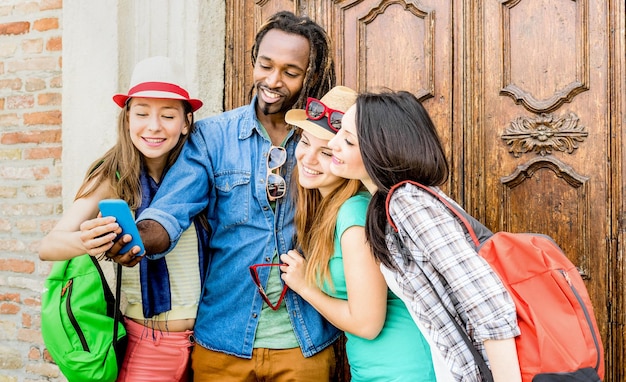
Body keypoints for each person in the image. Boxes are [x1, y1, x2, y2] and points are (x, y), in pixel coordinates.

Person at [117, 11, 339, 381]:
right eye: (266, 65)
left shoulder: (324, 141)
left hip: (306, 343)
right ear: (253, 61)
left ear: (309, 76)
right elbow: (170, 210)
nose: (273, 80)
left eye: (290, 71)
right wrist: (136, 239)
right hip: (223, 342)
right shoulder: (210, 136)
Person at [327, 90, 522, 382]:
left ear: (380, 149)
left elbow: (487, 302)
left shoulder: (408, 203)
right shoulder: (386, 205)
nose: (332, 144)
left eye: (348, 140)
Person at [38, 56, 209, 382]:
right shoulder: (114, 174)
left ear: (187, 122)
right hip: (148, 345)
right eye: (142, 113)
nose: (154, 126)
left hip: (209, 343)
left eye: (168, 115)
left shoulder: (200, 173)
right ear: (127, 118)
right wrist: (84, 241)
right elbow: (48, 246)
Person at [279, 85, 437, 381]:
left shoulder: (354, 213)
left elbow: (367, 324)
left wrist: (305, 287)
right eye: (305, 141)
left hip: (402, 369)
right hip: (377, 367)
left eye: (326, 151)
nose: (308, 159)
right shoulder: (331, 210)